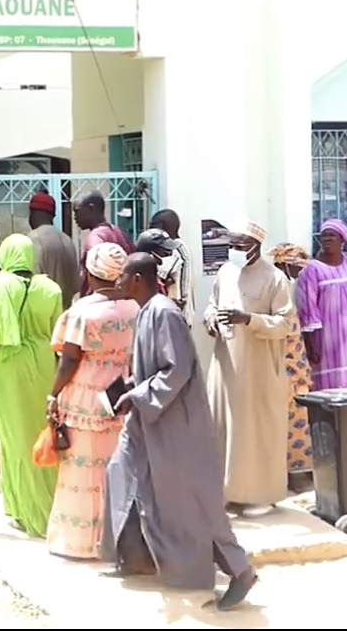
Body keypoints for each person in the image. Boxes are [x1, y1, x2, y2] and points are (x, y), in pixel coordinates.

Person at [103, 253, 258, 612]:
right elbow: (153, 368)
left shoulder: (164, 313)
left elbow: (177, 370)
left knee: (195, 503)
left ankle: (240, 570)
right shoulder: (146, 311)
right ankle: (137, 556)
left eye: (123, 275)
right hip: (148, 420)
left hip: (176, 424)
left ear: (138, 278)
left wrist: (137, 394)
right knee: (122, 474)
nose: (118, 281)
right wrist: (130, 387)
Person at [0, 234, 62, 537]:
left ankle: (30, 513)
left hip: (8, 368)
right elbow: (59, 339)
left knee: (14, 439)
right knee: (41, 434)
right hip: (44, 366)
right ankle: (45, 506)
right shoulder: (51, 289)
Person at [47, 242, 138, 559]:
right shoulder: (135, 308)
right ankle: (115, 539)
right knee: (114, 468)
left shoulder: (82, 312)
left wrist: (53, 393)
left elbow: (69, 359)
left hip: (85, 398)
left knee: (82, 471)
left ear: (89, 272)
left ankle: (80, 542)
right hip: (120, 396)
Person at [204, 219, 296, 518]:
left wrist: (249, 319)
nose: (235, 250)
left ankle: (259, 495)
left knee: (255, 431)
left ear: (256, 247)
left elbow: (285, 324)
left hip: (258, 371)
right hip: (226, 366)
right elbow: (211, 304)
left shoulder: (275, 278)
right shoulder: (225, 271)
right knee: (223, 428)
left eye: (240, 246)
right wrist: (211, 320)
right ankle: (226, 493)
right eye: (232, 245)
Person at [297, 218, 347, 393]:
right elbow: (308, 308)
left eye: (332, 235)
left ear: (342, 240)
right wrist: (310, 344)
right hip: (328, 338)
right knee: (333, 384)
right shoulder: (312, 269)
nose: (327, 239)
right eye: (324, 236)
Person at [270, 244, 315, 487]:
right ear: (285, 264)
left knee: (297, 417)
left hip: (295, 366)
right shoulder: (276, 290)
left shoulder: (283, 287)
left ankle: (298, 469)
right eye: (296, 267)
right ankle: (293, 473)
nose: (299, 272)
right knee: (289, 421)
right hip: (285, 367)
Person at [74, 190, 134, 299]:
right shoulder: (119, 232)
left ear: (91, 208)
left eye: (77, 211)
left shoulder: (96, 237)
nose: (74, 217)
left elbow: (98, 275)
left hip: (99, 301)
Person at [27, 191, 78, 308]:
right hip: (66, 311)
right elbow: (75, 286)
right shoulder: (67, 240)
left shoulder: (34, 239)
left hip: (44, 311)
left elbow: (33, 282)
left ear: (33, 213)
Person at [150, 209, 196, 326]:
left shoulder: (176, 248)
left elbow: (160, 274)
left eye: (154, 225)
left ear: (163, 225)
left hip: (179, 315)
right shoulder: (173, 247)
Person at [134, 227, 178, 296]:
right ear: (150, 253)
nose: (168, 254)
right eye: (164, 250)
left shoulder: (153, 277)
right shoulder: (141, 280)